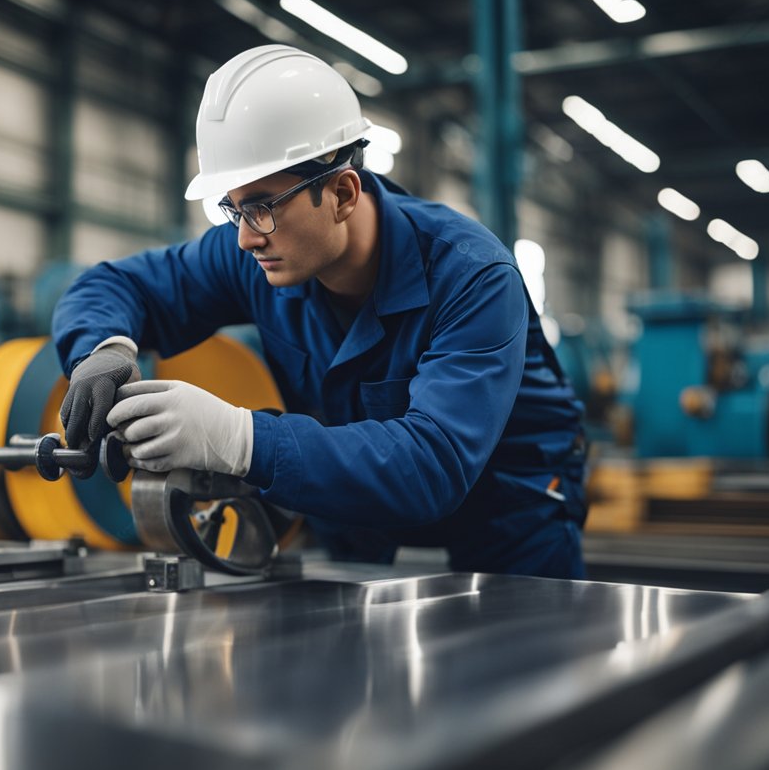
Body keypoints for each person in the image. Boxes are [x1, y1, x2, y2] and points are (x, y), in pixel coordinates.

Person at [52, 44, 587, 578]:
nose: (243, 238)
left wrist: (238, 439)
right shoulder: (262, 252)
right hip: (362, 519)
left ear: (343, 193)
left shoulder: (471, 275)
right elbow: (116, 285)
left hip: (511, 517)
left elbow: (431, 465)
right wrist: (104, 350)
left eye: (261, 207)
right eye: (232, 209)